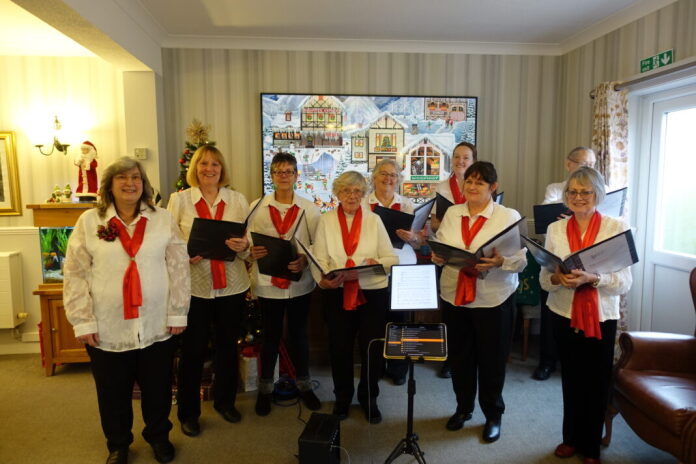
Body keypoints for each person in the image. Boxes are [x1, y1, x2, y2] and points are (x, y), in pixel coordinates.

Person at [63, 157, 190, 464]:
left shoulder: (162, 219)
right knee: (112, 392)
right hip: (109, 325)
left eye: (136, 177)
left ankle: (159, 437)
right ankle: (118, 444)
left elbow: (178, 267)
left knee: (158, 389)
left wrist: (177, 312)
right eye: (122, 178)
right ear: (109, 185)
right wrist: (82, 321)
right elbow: (75, 272)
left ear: (144, 185)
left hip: (156, 322)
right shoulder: (90, 222)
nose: (130, 183)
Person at [540, 167, 632, 464]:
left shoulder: (615, 227)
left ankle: (590, 447)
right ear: (566, 196)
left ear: (599, 195)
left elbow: (625, 282)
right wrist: (558, 280)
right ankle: (570, 438)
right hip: (562, 311)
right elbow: (545, 278)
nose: (578, 197)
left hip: (600, 317)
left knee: (595, 382)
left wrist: (593, 278)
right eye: (573, 192)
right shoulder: (555, 229)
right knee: (571, 379)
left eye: (585, 191)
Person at [431, 161, 526, 443]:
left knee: (492, 360)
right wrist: (439, 256)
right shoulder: (452, 212)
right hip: (454, 295)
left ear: (493, 188)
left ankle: (493, 415)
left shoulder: (508, 216)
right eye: (468, 182)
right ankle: (463, 408)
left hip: (493, 298)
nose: (471, 187)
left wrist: (500, 261)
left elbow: (520, 260)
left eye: (479, 183)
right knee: (460, 357)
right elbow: (444, 246)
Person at [167, 145, 251, 437]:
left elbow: (247, 242)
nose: (209, 169)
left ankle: (225, 402)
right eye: (203, 163)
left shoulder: (238, 200)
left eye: (215, 164)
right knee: (192, 351)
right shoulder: (179, 201)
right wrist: (181, 255)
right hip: (195, 287)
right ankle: (188, 412)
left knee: (228, 347)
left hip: (232, 285)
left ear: (221, 169)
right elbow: (168, 243)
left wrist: (244, 247)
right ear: (195, 168)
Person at [311, 171, 398, 424]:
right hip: (338, 293)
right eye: (346, 191)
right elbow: (319, 259)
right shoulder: (326, 221)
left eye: (357, 191)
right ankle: (342, 398)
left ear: (363, 194)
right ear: (337, 194)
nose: (352, 196)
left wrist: (377, 262)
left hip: (372, 293)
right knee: (340, 348)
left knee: (371, 348)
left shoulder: (374, 220)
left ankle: (369, 398)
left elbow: (391, 259)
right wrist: (324, 278)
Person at [247, 152, 322, 416]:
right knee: (270, 337)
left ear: (296, 175)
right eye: (278, 171)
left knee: (299, 335)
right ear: (272, 176)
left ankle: (304, 384)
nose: (283, 176)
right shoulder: (257, 206)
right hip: (268, 283)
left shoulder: (308, 208)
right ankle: (265, 389)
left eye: (288, 171)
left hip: (299, 283)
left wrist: (304, 260)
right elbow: (246, 243)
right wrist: (250, 252)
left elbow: (316, 244)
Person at [534, 146, 598, 381]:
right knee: (552, 312)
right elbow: (547, 218)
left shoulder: (603, 190)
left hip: (592, 262)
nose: (588, 169)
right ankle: (547, 361)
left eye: (592, 164)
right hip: (560, 256)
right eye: (583, 164)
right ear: (568, 164)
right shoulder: (555, 189)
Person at [363, 158, 423, 385]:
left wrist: (413, 237)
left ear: (398, 180)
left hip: (403, 269)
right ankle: (375, 367)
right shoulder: (362, 204)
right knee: (375, 321)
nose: (388, 179)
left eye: (393, 175)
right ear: (374, 177)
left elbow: (419, 242)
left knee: (401, 321)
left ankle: (399, 369)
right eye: (384, 174)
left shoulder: (407, 205)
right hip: (374, 269)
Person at [431, 141, 477, 378]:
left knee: (473, 310)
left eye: (466, 158)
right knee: (450, 311)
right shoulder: (441, 187)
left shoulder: (481, 187)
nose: (460, 161)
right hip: (448, 256)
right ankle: (450, 357)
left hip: (473, 256)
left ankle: (471, 356)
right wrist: (436, 224)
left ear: (473, 161)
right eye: (457, 157)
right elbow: (433, 223)